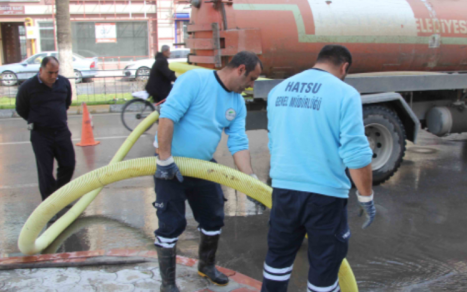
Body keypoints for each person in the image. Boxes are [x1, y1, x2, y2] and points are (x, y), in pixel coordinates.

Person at [261, 45, 376, 292]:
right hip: (325, 195)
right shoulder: (346, 94)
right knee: (324, 271)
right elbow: (356, 154)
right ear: (344, 67)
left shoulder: (278, 90)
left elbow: (274, 140)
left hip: (283, 190)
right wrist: (366, 197)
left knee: (277, 264)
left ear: (319, 60)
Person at [153, 51, 262, 292]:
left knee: (213, 215)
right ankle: (168, 284)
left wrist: (250, 181)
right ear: (241, 69)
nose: (251, 86)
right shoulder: (195, 81)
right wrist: (164, 160)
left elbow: (238, 142)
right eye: (252, 79)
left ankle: (206, 265)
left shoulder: (237, 103)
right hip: (170, 165)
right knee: (171, 223)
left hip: (203, 166)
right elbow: (168, 116)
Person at [15, 56, 76, 203]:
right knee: (45, 172)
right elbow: (21, 108)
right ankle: (49, 206)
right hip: (41, 134)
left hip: (61, 131)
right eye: (50, 73)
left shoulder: (63, 83)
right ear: (41, 70)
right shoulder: (28, 87)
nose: (54, 76)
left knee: (68, 164)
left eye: (56, 72)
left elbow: (66, 102)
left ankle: (60, 197)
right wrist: (37, 119)